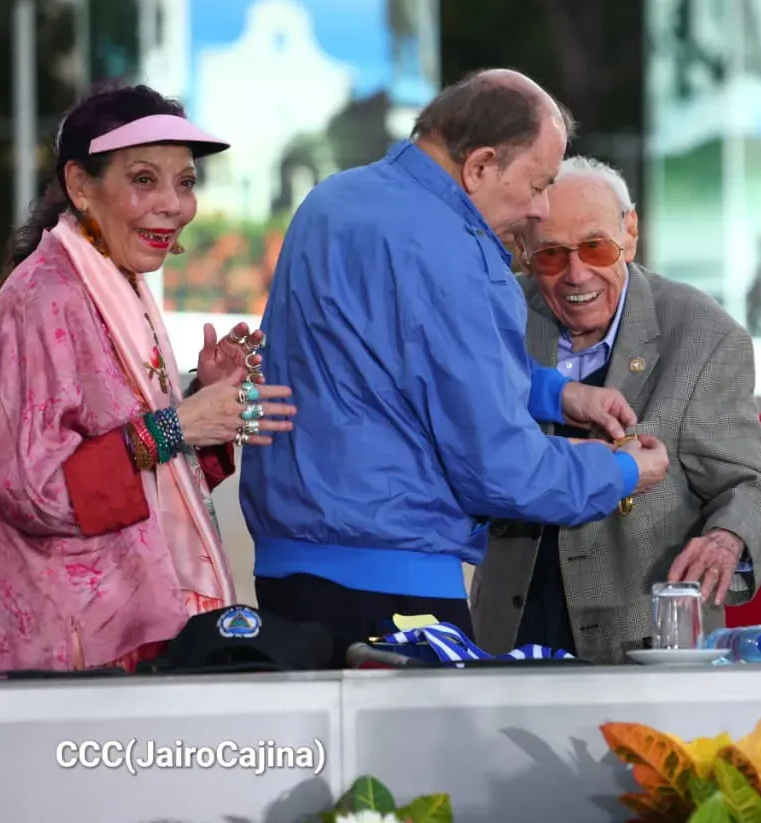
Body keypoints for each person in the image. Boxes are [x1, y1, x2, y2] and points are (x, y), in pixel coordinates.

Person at [240, 70, 670, 663]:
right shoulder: (457, 250)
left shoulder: (332, 200)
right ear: (481, 166)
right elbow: (502, 469)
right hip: (396, 586)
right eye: (539, 183)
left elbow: (389, 366)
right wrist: (621, 473)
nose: (541, 208)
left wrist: (554, 395)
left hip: (288, 574)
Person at [0, 83, 295, 673]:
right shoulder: (45, 297)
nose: (174, 205)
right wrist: (176, 425)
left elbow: (147, 479)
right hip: (68, 655)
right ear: (81, 186)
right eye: (144, 179)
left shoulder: (115, 283)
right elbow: (33, 491)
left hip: (130, 632)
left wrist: (199, 403)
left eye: (185, 183)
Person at [471, 157, 761, 663]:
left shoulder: (704, 335)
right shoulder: (496, 317)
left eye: (596, 247)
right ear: (522, 252)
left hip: (646, 642)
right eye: (552, 254)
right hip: (509, 628)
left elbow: (755, 488)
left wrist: (728, 540)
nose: (577, 274)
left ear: (631, 231)